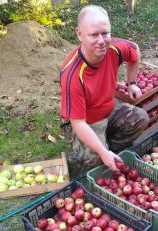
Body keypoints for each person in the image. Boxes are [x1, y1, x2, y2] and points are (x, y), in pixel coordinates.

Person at [60, 5, 149, 174]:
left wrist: (132, 83)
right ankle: (93, 150)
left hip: (109, 108)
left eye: (105, 33)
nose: (101, 41)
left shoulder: (114, 48)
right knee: (94, 158)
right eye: (94, 35)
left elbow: (134, 50)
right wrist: (102, 152)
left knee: (141, 118)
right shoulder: (72, 74)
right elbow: (78, 122)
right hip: (85, 121)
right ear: (79, 34)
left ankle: (108, 146)